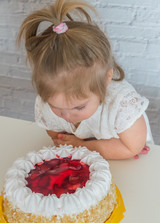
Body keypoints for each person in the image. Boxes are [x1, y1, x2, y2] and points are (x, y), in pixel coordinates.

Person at [17, 0, 154, 159]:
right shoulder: (49, 100)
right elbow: (58, 138)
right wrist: (81, 145)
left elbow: (131, 147)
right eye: (56, 107)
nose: (67, 116)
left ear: (105, 80)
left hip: (130, 150)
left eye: (79, 107)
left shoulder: (121, 104)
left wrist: (80, 145)